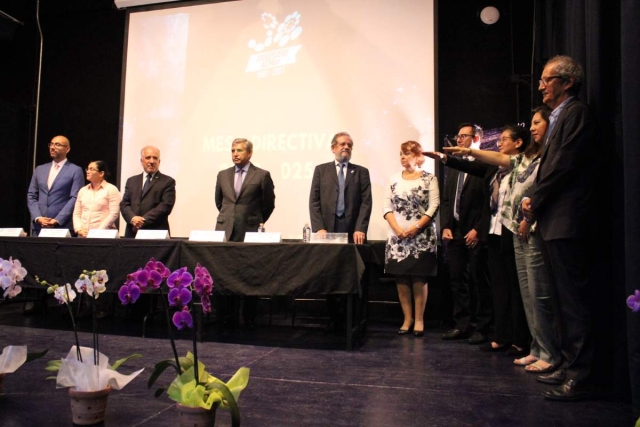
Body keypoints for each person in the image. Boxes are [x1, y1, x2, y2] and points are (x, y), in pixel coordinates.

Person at [443, 108, 560, 375]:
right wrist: (465, 153)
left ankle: (539, 347)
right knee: (519, 292)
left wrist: (529, 212)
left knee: (534, 294)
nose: (532, 128)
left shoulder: (543, 159)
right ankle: (536, 348)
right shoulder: (518, 162)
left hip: (528, 230)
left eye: (537, 123)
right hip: (507, 231)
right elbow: (491, 161)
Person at [521, 55, 597, 401]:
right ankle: (567, 366)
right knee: (562, 303)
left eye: (546, 79)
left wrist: (534, 198)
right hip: (554, 221)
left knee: (573, 303)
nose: (541, 86)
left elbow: (563, 164)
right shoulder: (560, 116)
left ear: (567, 82)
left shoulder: (575, 113)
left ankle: (581, 376)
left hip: (567, 221)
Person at [427, 125, 531, 355]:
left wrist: (477, 229)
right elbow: (460, 185)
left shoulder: (520, 166)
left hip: (504, 233)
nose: (499, 143)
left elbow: (488, 204)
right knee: (492, 286)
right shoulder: (494, 170)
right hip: (486, 234)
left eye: (504, 139)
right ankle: (498, 334)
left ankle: (513, 336)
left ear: (519, 143)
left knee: (503, 286)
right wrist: (445, 157)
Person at [432, 124, 492, 344]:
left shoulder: (485, 163)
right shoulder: (455, 166)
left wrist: (478, 229)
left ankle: (483, 327)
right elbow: (447, 199)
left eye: (463, 136)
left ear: (475, 138)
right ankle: (462, 325)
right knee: (458, 280)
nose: (458, 140)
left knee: (480, 280)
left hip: (476, 231)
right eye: (457, 136)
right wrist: (446, 225)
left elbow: (489, 202)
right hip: (455, 231)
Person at [309, 132, 372, 330]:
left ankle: (352, 320)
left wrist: (360, 228)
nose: (346, 147)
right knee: (331, 274)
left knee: (352, 275)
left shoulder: (361, 172)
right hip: (328, 230)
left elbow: (366, 203)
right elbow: (314, 201)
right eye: (342, 144)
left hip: (352, 230)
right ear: (333, 147)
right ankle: (334, 319)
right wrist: (319, 227)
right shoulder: (321, 170)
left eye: (349, 145)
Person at [215, 138, 275, 328]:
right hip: (225, 232)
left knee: (249, 275)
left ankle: (249, 317)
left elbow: (268, 204)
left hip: (249, 231)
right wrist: (229, 219)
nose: (235, 154)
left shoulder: (262, 175)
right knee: (225, 274)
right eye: (233, 150)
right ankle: (227, 316)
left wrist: (255, 219)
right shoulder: (222, 175)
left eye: (239, 150)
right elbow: (219, 202)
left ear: (249, 153)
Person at [383, 141, 439, 337]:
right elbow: (386, 208)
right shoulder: (393, 179)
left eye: (407, 153)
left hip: (421, 236)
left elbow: (434, 206)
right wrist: (398, 229)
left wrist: (415, 228)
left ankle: (420, 319)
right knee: (401, 278)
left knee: (419, 277)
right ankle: (407, 319)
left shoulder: (429, 179)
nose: (403, 157)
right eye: (401, 154)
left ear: (417, 156)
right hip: (397, 237)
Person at [27, 135, 85, 235]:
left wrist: (58, 219)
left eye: (57, 144)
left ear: (67, 149)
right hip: (39, 226)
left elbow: (75, 197)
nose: (52, 147)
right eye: (51, 144)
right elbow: (31, 195)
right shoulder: (40, 169)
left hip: (62, 226)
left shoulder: (75, 170)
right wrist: (38, 217)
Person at [120, 146, 176, 238]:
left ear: (159, 162)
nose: (152, 161)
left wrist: (142, 221)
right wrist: (133, 218)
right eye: (148, 157)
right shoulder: (131, 181)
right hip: (132, 232)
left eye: (155, 158)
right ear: (141, 161)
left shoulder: (168, 181)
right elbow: (124, 204)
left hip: (156, 233)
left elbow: (165, 206)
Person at [73, 161, 121, 237]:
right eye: (87, 169)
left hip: (104, 235)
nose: (88, 172)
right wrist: (79, 229)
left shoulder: (111, 189)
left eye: (92, 169)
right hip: (84, 235)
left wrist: (98, 232)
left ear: (101, 173)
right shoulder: (83, 190)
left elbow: (114, 213)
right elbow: (77, 213)